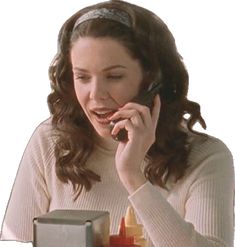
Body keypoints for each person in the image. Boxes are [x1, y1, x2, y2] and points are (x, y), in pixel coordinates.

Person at [0, 0, 234, 246]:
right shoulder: (50, 140)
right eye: (82, 77)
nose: (96, 94)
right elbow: (15, 243)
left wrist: (133, 176)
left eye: (114, 76)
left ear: (152, 80)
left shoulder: (207, 157)